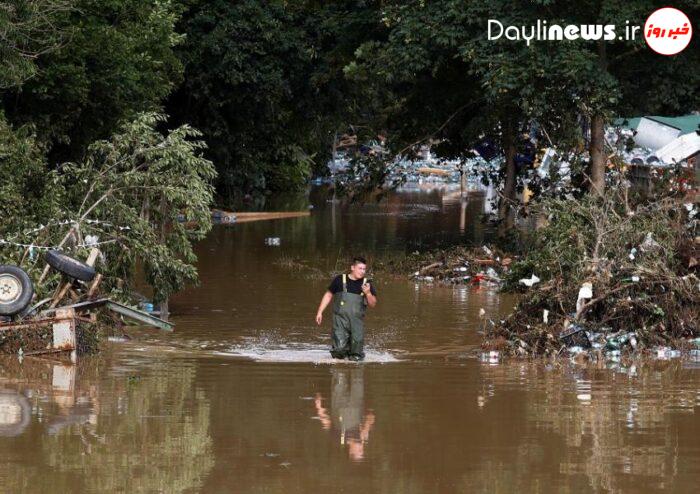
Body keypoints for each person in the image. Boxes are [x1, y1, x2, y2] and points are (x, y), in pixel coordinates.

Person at [315, 257, 377, 361]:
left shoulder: (367, 284)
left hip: (357, 322)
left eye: (364, 269)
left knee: (356, 355)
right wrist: (320, 312)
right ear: (352, 267)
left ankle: (354, 366)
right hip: (340, 321)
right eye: (360, 268)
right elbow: (328, 295)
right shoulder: (339, 280)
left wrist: (368, 293)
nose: (362, 271)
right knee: (339, 351)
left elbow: (373, 304)